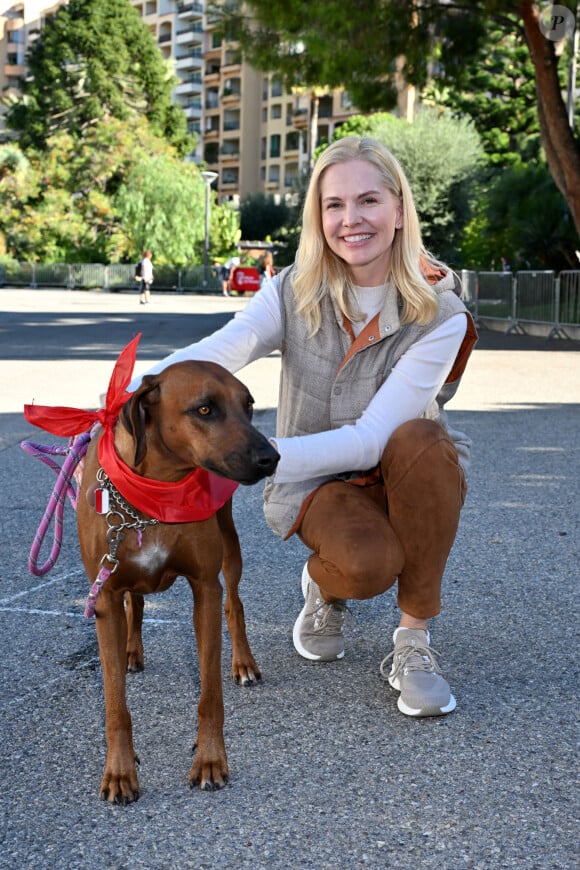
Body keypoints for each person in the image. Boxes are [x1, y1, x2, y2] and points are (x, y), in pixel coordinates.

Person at [129, 137, 477, 718]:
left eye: (368, 201)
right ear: (318, 215)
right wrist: (139, 389)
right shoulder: (294, 287)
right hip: (317, 484)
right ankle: (327, 586)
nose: (351, 220)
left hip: (398, 470)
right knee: (366, 568)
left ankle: (413, 642)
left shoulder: (441, 312)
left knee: (425, 439)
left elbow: (370, 438)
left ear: (398, 208)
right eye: (334, 205)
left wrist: (250, 453)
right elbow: (224, 351)